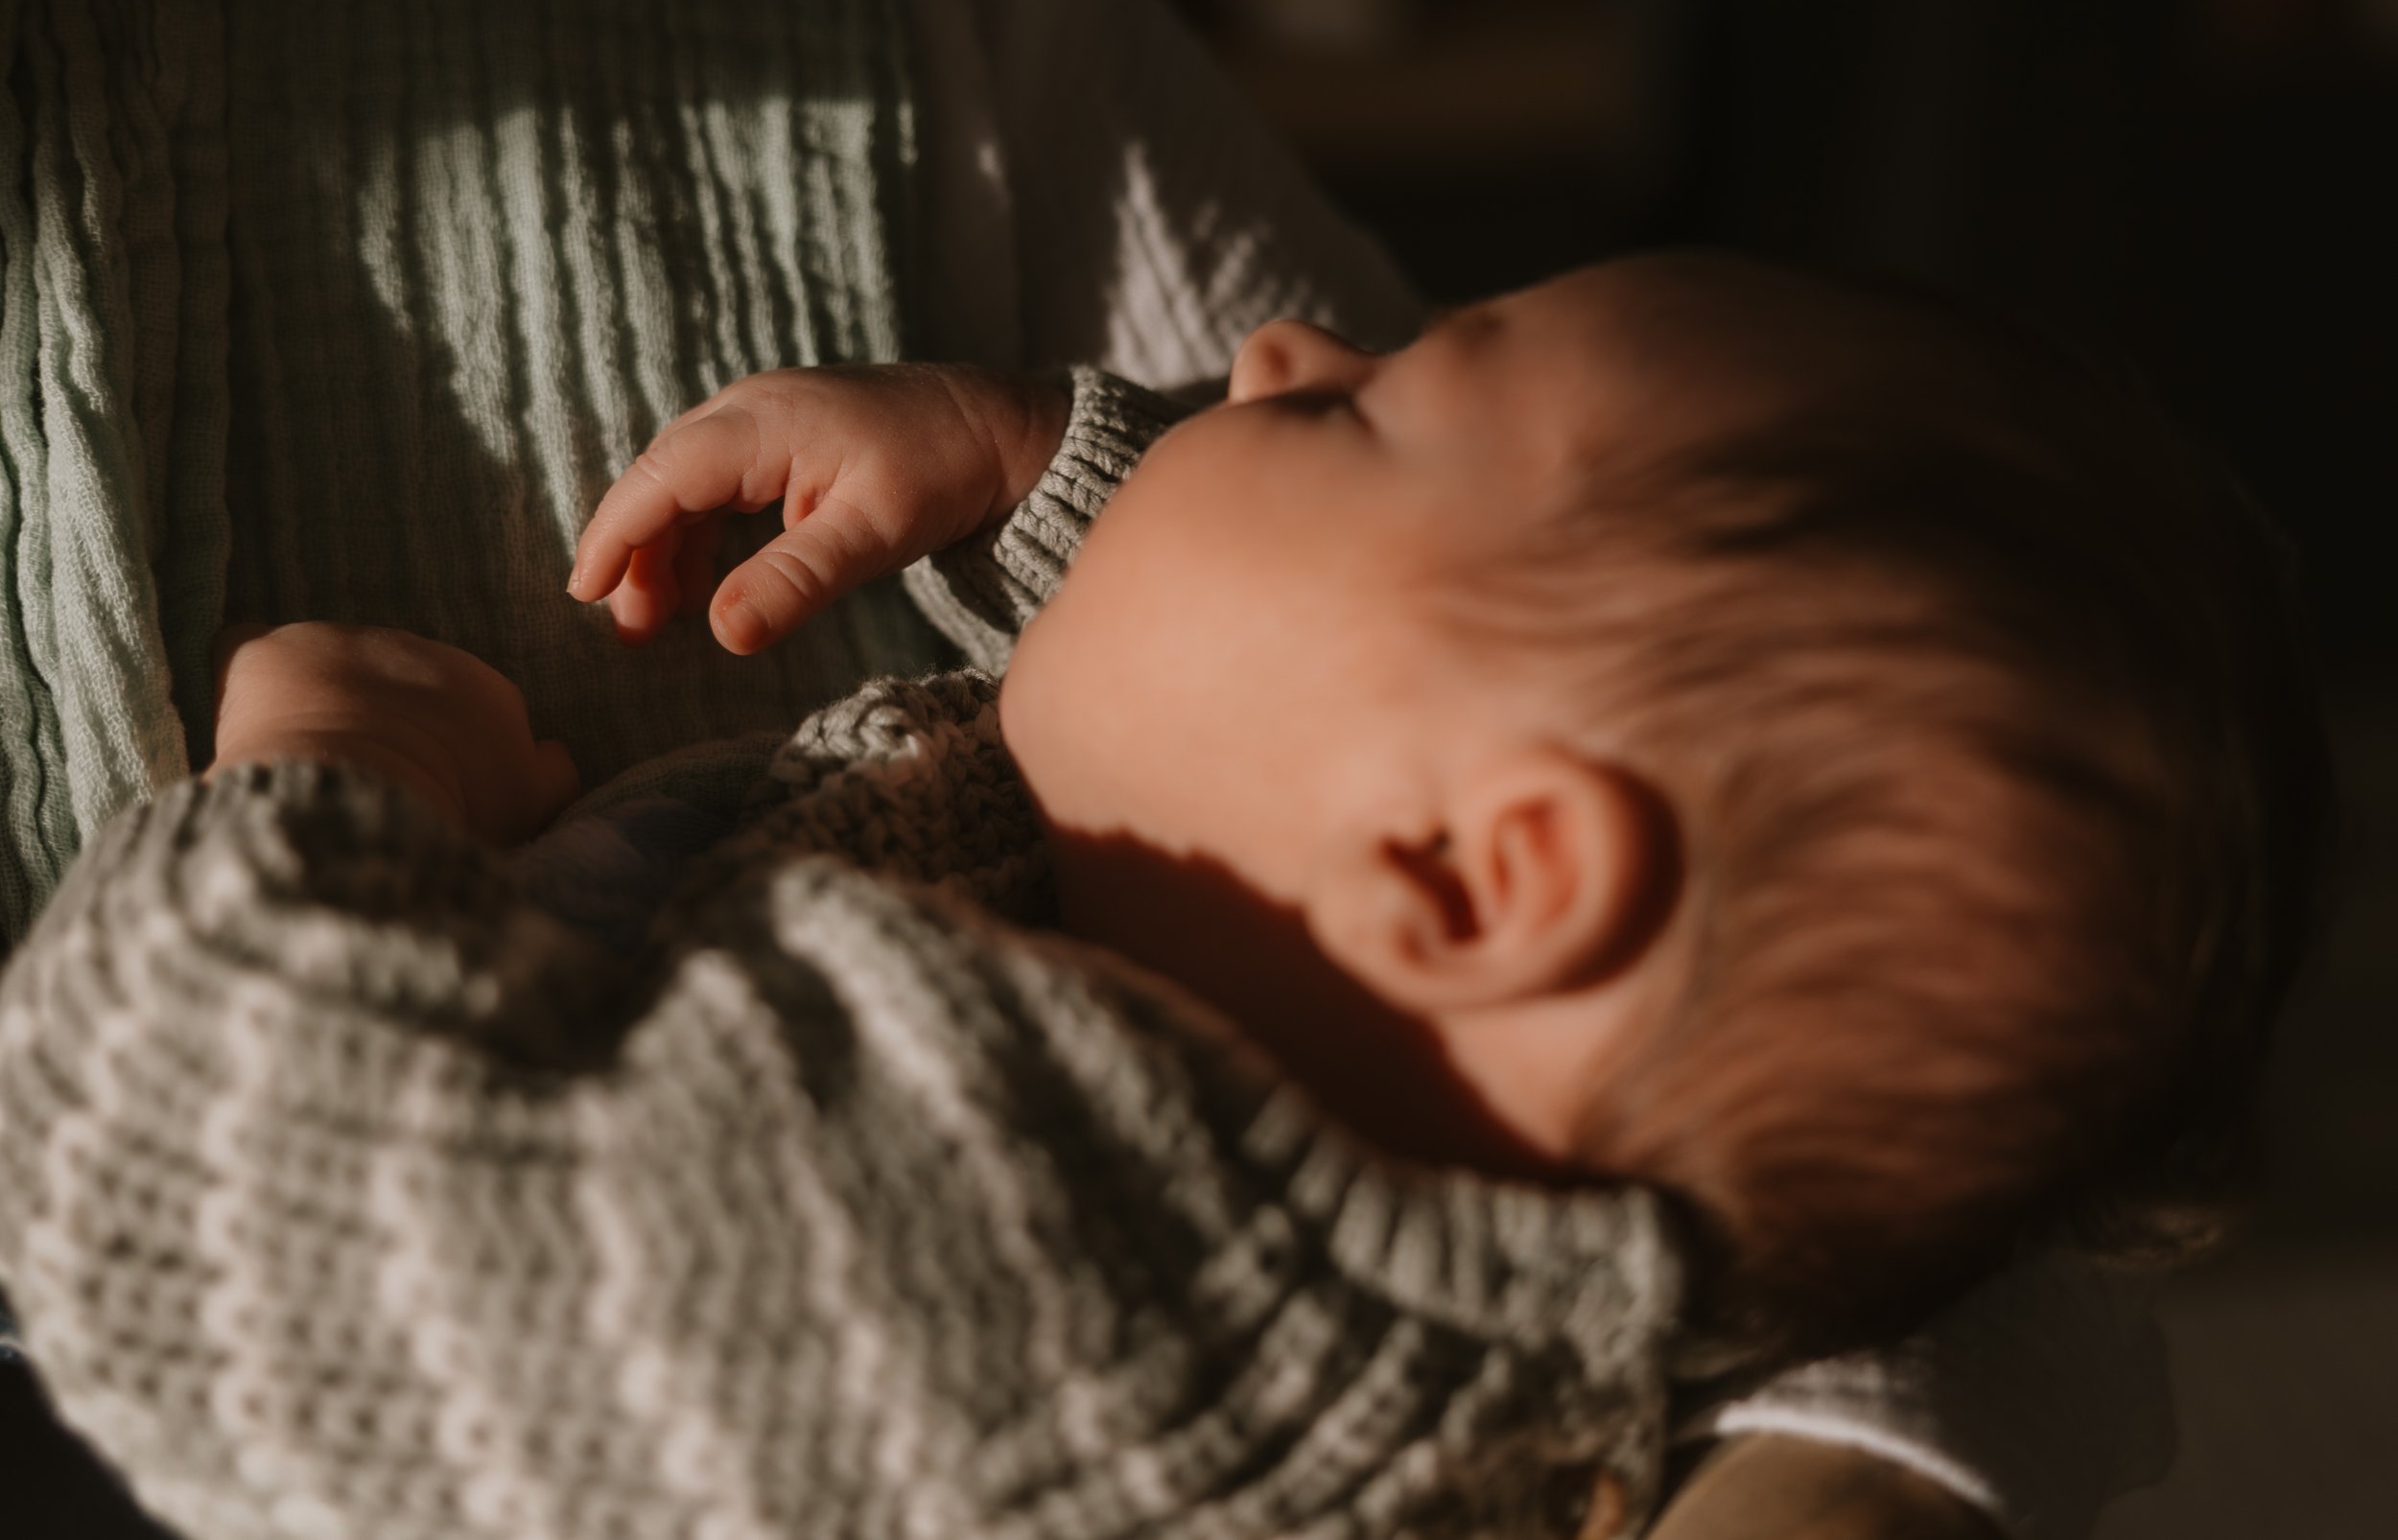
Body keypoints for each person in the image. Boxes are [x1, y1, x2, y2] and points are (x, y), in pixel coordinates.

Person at [0, 253, 2325, 1540]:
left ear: (1473, 877)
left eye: (1356, 409)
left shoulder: (1004, 1283)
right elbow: (1253, 738)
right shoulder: (1385, 1142)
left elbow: (226, 1196)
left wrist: (323, 790)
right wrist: (1050, 468)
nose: (1279, 339)